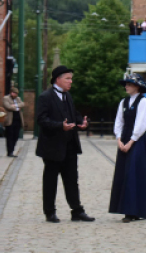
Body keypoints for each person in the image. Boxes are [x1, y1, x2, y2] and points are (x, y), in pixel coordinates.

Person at [35, 66, 95, 223]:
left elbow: (73, 114)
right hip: (52, 146)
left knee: (72, 179)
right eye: (68, 78)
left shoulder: (68, 96)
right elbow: (41, 120)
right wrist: (59, 126)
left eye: (71, 78)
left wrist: (82, 121)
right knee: (50, 180)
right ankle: (50, 212)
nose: (71, 81)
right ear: (57, 79)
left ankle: (77, 211)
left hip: (70, 145)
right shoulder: (45, 97)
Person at [109, 73, 146, 223]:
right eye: (126, 84)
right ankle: (125, 208)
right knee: (123, 172)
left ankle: (135, 210)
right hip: (124, 139)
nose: (126, 87)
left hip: (136, 141)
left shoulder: (144, 102)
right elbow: (119, 121)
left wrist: (131, 141)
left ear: (137, 86)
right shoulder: (123, 102)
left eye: (128, 84)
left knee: (134, 173)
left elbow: (142, 123)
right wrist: (119, 139)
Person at [3, 87, 25, 157]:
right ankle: (9, 152)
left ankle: (12, 150)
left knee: (16, 136)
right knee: (10, 136)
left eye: (16, 93)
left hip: (18, 120)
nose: (15, 94)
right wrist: (17, 107)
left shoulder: (18, 99)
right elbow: (8, 107)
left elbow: (22, 104)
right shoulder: (6, 98)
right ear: (11, 92)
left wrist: (15, 105)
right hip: (10, 120)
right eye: (14, 93)